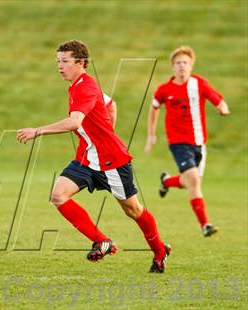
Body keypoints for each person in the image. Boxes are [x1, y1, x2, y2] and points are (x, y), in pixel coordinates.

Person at [17, 40, 170, 273]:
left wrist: (37, 130)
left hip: (112, 162)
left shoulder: (85, 87)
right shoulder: (78, 85)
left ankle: (159, 251)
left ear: (81, 63)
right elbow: (112, 105)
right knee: (58, 195)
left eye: (65, 62)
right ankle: (102, 241)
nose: (59, 66)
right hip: (88, 159)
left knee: (133, 210)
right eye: (57, 61)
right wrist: (103, 133)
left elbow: (74, 122)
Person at [145, 46, 230, 237]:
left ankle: (166, 181)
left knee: (190, 183)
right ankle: (205, 225)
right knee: (193, 180)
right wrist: (151, 134)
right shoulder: (164, 90)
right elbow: (153, 108)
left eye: (185, 63)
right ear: (173, 67)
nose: (181, 66)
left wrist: (223, 107)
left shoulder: (198, 84)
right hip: (178, 142)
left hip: (199, 142)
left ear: (191, 66)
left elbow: (217, 99)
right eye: (178, 63)